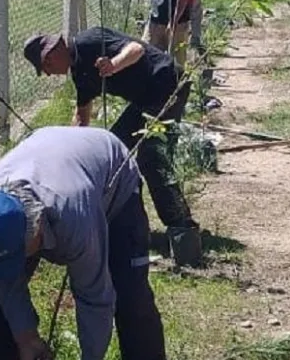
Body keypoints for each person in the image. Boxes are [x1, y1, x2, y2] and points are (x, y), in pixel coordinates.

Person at [0, 126, 173, 360]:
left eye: (19, 256)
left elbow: (95, 297)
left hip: (111, 177)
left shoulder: (72, 212)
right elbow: (3, 284)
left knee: (130, 298)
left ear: (37, 228)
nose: (17, 267)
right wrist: (25, 337)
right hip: (49, 158)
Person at [22, 27, 203, 266]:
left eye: (45, 68)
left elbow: (136, 49)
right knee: (112, 151)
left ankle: (182, 228)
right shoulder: (80, 74)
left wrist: (113, 64)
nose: (47, 74)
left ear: (51, 55)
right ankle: (120, 222)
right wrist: (69, 153)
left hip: (166, 84)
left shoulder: (90, 40)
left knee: (151, 158)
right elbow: (82, 117)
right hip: (144, 99)